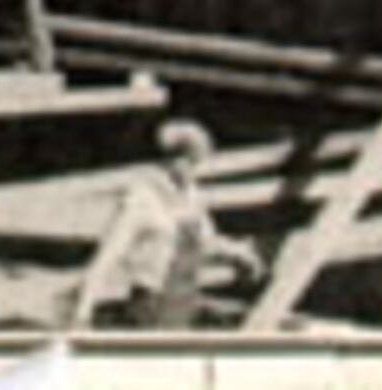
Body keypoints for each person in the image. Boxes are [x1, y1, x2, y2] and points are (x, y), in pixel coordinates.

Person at [72, 120, 252, 330]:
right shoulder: (142, 199)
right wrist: (82, 313)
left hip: (184, 302)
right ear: (171, 159)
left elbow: (207, 241)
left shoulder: (192, 197)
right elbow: (109, 255)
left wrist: (239, 253)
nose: (194, 170)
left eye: (198, 162)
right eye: (189, 161)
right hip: (151, 306)